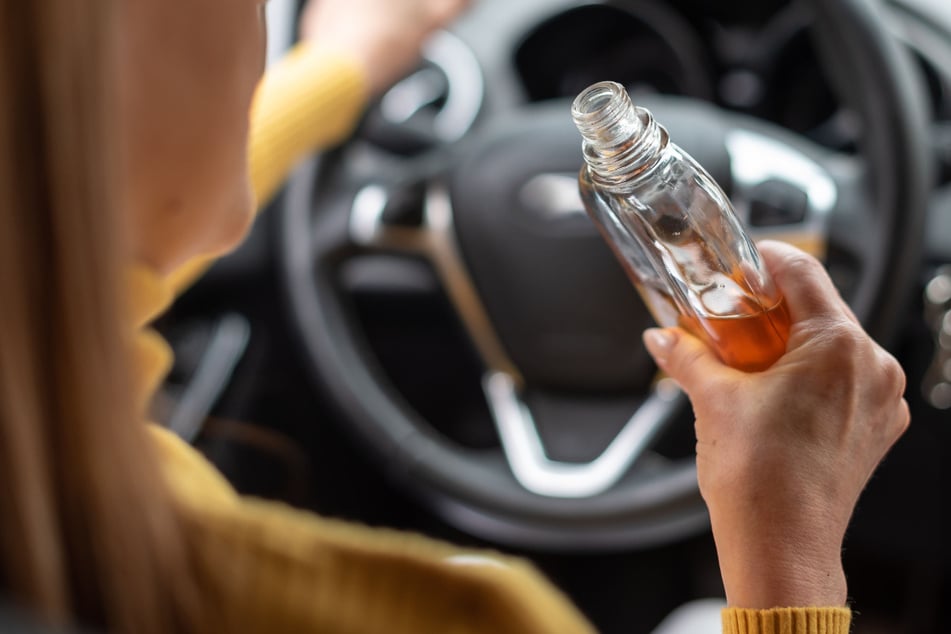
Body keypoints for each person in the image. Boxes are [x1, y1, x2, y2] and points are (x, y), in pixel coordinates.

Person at [0, 1, 909, 634]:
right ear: (85, 79)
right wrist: (788, 559)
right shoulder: (467, 618)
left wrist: (343, 64)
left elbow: (105, 241)